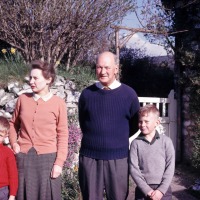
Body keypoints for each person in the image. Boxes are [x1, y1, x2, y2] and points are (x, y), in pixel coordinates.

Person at [78, 51, 140, 200]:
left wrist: (115, 140)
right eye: (99, 67)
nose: (103, 71)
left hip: (118, 158)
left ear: (116, 69)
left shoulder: (129, 94)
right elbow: (84, 122)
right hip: (90, 158)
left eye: (107, 67)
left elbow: (134, 124)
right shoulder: (87, 94)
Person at [9, 60, 69, 200]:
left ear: (49, 79)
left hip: (48, 159)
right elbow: (12, 124)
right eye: (30, 77)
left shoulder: (58, 103)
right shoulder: (22, 99)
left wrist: (59, 163)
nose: (31, 81)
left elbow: (63, 135)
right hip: (24, 158)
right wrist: (14, 143)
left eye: (36, 78)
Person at [129, 104, 175, 200]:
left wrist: (161, 190)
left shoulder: (166, 142)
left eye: (146, 121)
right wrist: (147, 190)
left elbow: (170, 167)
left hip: (163, 191)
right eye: (140, 122)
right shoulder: (135, 143)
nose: (142, 125)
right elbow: (134, 169)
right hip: (142, 191)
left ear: (157, 123)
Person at [0, 116, 18, 200]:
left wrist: (12, 195)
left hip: (2, 191)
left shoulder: (8, 152)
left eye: (0, 135)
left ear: (5, 135)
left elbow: (13, 175)